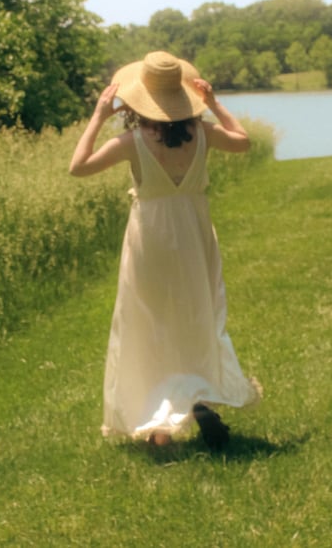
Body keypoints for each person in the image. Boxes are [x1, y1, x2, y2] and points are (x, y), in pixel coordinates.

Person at [69, 51, 261, 448]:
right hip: (193, 233)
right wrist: (215, 105)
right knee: (195, 318)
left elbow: (79, 166)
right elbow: (243, 143)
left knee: (150, 324)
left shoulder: (133, 141)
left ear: (141, 100)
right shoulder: (202, 133)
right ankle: (200, 399)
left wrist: (99, 115)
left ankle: (160, 426)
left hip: (150, 239)